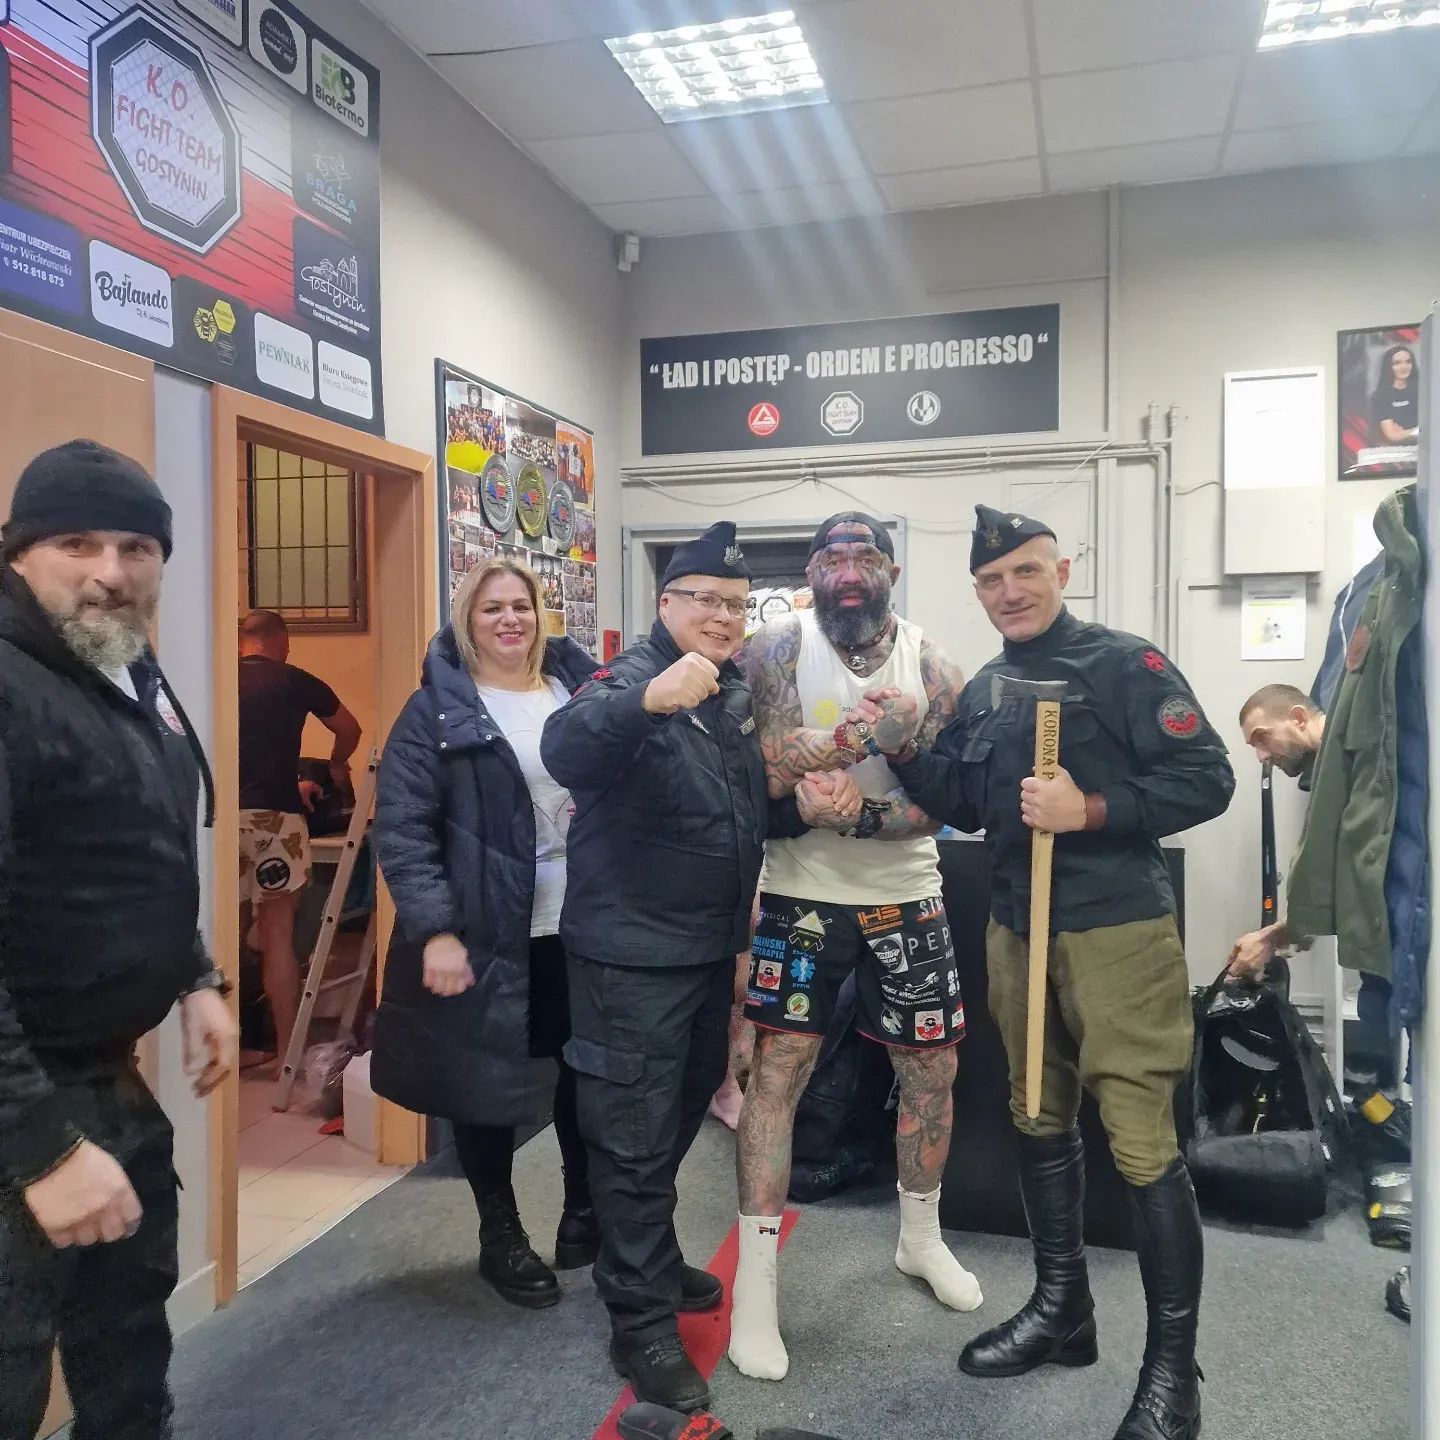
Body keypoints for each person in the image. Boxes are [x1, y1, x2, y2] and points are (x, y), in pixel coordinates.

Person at [886, 505, 1234, 1440]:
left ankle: (1173, 1372)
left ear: (1062, 570)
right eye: (991, 581)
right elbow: (965, 800)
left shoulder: (1126, 665)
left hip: (1117, 932)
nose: (1009, 592)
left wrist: (1091, 809)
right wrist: (902, 750)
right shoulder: (989, 687)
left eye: (1026, 572)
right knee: (1037, 1115)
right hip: (1016, 928)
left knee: (1142, 1146)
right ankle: (1062, 1310)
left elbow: (1208, 777)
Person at [541, 522, 860, 1414]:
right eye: (706, 601)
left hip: (702, 954)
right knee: (634, 1137)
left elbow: (734, 813)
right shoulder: (631, 682)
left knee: (679, 1115)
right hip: (630, 959)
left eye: (735, 604)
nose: (723, 617)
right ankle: (639, 1321)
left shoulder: (726, 694)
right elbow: (566, 748)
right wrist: (647, 700)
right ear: (667, 603)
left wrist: (804, 807)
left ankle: (640, 1255)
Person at [0, 439, 238, 1439]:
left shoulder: (119, 667)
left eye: (137, 547)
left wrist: (195, 975)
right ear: (19, 554)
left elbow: (131, 847)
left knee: (128, 1349)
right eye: (77, 543)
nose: (111, 571)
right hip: (23, 1096)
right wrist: (43, 1149)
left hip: (108, 1080)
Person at [728, 512, 977, 1384]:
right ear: (811, 571)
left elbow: (947, 803)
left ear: (890, 571)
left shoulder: (935, 668)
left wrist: (868, 807)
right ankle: (755, 1286)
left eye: (863, 555)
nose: (845, 569)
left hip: (906, 891)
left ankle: (921, 1238)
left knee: (932, 1070)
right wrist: (802, 774)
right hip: (800, 891)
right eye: (829, 556)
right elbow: (750, 773)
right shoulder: (774, 651)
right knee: (775, 1073)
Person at [372, 557, 600, 1308]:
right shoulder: (436, 711)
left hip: (581, 922)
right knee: (483, 1079)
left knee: (584, 1070)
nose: (510, 619)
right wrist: (436, 931)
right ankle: (500, 1233)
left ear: (540, 615)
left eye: (521, 606)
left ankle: (583, 1211)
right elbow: (403, 829)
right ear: (468, 621)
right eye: (492, 608)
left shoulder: (578, 691)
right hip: (489, 926)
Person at [238, 609, 360, 1065]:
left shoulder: (216, 677)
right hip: (277, 819)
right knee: (278, 936)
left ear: (243, 641)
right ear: (282, 641)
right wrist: (336, 764)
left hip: (220, 818)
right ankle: (285, 1054)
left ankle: (231, 1048)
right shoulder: (294, 680)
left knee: (222, 932)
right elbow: (349, 728)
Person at [1371, 344, 1420, 446]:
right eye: (1397, 363)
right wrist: (1420, 430)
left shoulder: (1422, 392)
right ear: (1388, 367)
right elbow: (1393, 435)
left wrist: (1406, 432)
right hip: (1396, 451)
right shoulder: (1381, 396)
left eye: (1408, 361)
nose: (1404, 367)